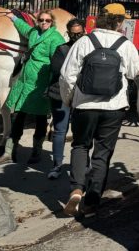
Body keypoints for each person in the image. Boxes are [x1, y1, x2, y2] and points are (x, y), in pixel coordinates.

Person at [59, 6, 139, 219]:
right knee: (102, 153)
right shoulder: (125, 45)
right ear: (119, 22)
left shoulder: (84, 42)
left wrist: (69, 99)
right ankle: (93, 200)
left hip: (85, 105)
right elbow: (134, 73)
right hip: (113, 107)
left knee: (80, 145)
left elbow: (66, 75)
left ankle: (76, 190)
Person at [0, 9, 65, 166]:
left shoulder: (56, 38)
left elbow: (57, 64)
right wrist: (13, 18)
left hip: (41, 83)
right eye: (41, 20)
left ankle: (36, 152)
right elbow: (24, 28)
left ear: (52, 22)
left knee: (40, 119)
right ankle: (9, 153)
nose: (44, 23)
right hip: (25, 80)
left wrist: (51, 87)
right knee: (17, 115)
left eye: (47, 20)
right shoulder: (34, 31)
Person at [46, 18, 86, 180]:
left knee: (82, 132)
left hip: (82, 95)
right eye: (73, 34)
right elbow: (56, 70)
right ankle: (57, 165)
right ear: (68, 33)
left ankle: (82, 164)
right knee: (60, 131)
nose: (76, 36)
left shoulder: (89, 48)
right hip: (61, 93)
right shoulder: (61, 49)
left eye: (79, 33)